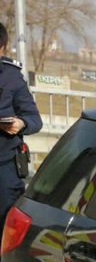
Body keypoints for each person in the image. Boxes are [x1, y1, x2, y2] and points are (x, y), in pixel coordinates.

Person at [0, 23, 41, 228]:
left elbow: (35, 120)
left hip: (5, 168)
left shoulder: (12, 77)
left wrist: (21, 124)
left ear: (2, 48)